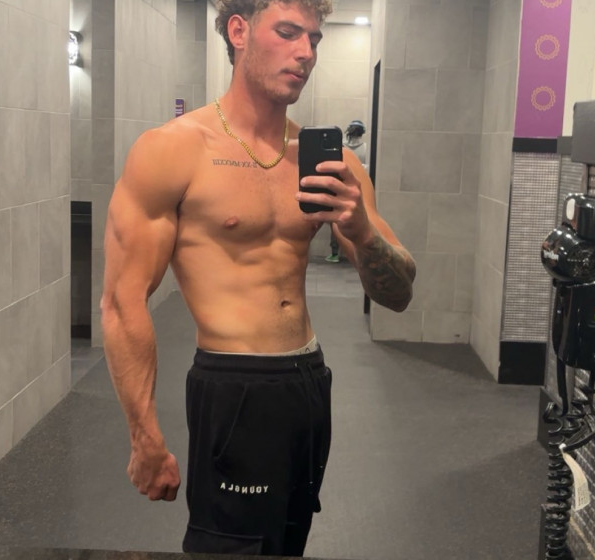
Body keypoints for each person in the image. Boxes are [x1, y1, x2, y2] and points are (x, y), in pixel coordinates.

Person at [100, 0, 416, 556]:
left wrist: (361, 231)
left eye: (314, 39)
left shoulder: (330, 162)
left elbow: (399, 293)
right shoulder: (173, 150)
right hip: (233, 385)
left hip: (309, 382)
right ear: (239, 31)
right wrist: (143, 436)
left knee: (290, 540)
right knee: (231, 548)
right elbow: (123, 302)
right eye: (288, 33)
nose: (305, 52)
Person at [326, 119, 366, 263]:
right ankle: (355, 254)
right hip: (358, 188)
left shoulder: (340, 146)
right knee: (356, 221)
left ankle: (335, 253)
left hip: (339, 187)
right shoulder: (365, 148)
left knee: (336, 221)